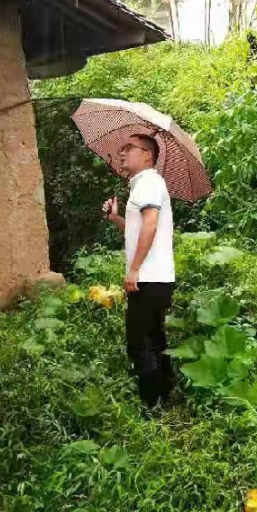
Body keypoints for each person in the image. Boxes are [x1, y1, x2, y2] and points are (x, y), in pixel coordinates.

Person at [101, 133, 176, 407]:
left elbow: (151, 225)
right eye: (122, 148)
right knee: (154, 339)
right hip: (158, 278)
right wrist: (116, 219)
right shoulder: (145, 185)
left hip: (148, 278)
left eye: (129, 147)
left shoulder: (148, 182)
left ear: (148, 155)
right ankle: (165, 398)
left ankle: (150, 407)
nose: (122, 152)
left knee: (139, 344)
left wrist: (134, 270)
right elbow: (138, 230)